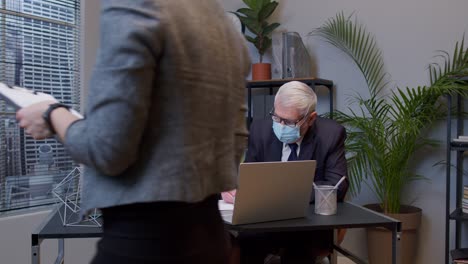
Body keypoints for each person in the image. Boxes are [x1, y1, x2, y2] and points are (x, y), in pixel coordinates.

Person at [16, 1, 250, 263]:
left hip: (145, 244)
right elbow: (236, 144)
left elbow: (106, 149)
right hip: (211, 241)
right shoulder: (224, 27)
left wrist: (52, 113)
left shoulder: (138, 6)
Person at [223, 80, 349, 264]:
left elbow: (337, 185)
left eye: (289, 122)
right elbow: (251, 176)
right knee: (245, 244)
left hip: (308, 224)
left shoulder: (331, 134)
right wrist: (239, 191)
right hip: (265, 222)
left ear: (311, 118)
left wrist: (283, 197)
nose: (280, 125)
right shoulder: (260, 130)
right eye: (276, 117)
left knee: (299, 250)